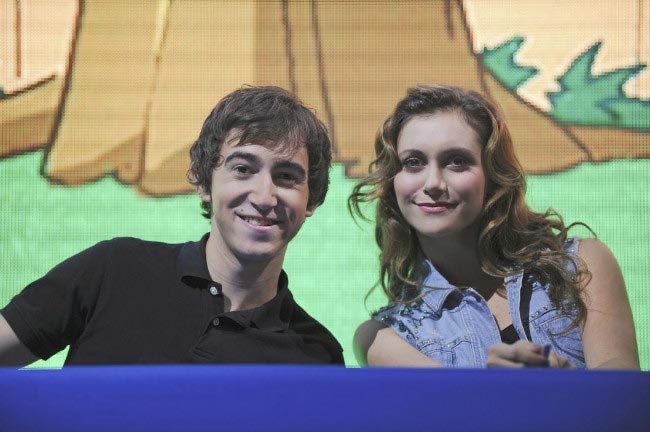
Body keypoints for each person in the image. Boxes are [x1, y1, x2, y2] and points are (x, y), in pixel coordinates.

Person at [0, 86, 343, 366]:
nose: (265, 196)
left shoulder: (317, 355)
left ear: (311, 201)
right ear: (203, 182)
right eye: (242, 169)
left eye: (286, 177)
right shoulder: (114, 270)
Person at [349, 85, 639, 369]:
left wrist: (563, 382)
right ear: (392, 181)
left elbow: (621, 399)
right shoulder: (383, 337)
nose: (433, 183)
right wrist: (495, 387)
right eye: (413, 162)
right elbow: (454, 406)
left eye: (456, 162)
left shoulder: (580, 265)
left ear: (493, 175)